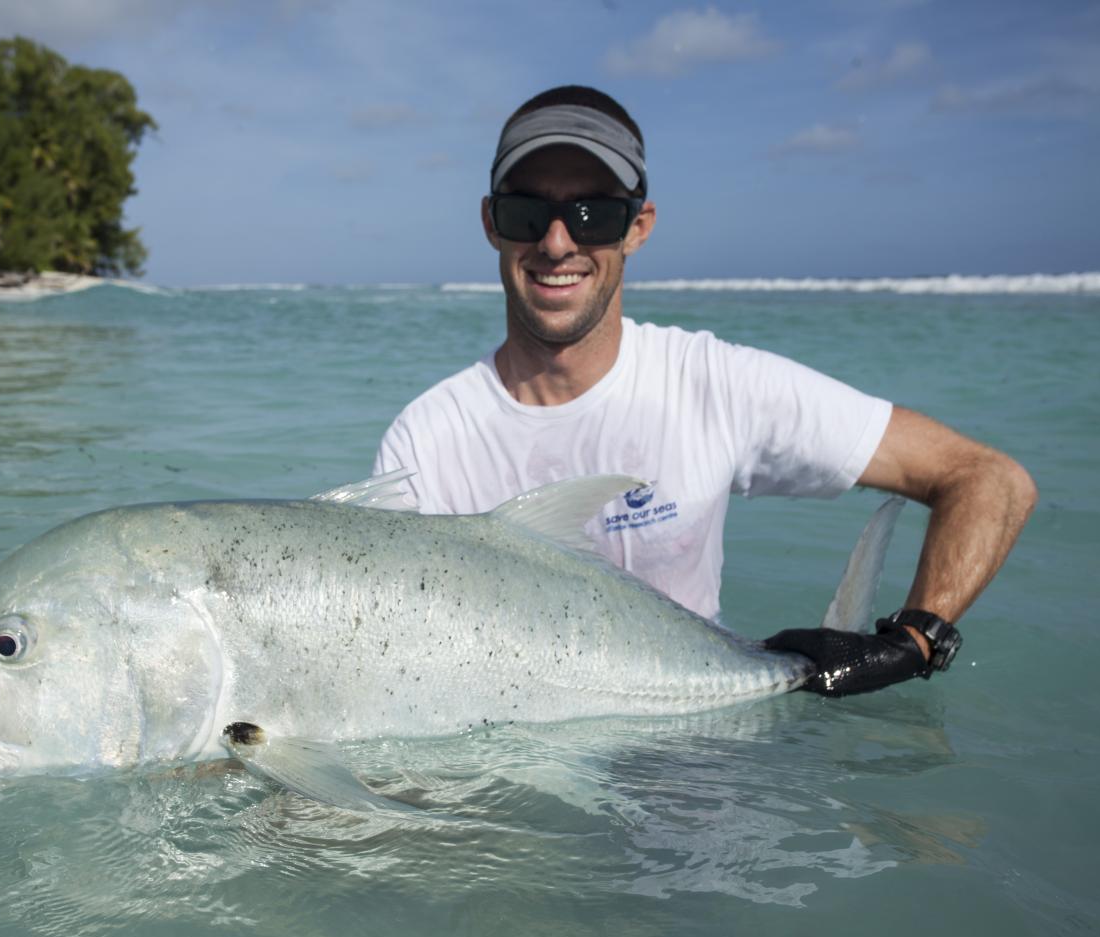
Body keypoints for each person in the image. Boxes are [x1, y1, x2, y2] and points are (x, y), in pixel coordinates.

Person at [372, 85, 1036, 697]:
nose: (556, 242)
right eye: (526, 212)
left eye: (592, 215)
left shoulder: (714, 383)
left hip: (695, 770)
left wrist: (914, 641)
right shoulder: (426, 439)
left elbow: (987, 479)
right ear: (491, 222)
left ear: (639, 226)